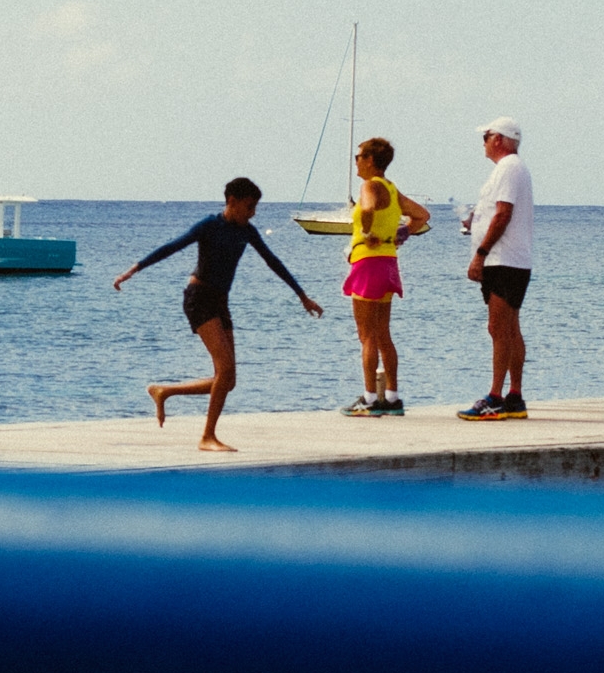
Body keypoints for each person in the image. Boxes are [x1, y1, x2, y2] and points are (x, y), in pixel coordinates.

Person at [113, 178, 323, 451]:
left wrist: (301, 295)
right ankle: (207, 437)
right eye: (249, 206)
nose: (253, 213)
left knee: (228, 379)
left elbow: (273, 262)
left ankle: (165, 391)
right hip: (198, 299)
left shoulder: (247, 231)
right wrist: (133, 270)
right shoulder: (210, 225)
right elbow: (172, 247)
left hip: (220, 302)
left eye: (255, 207)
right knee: (224, 371)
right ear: (232, 201)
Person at [340, 136, 430, 416]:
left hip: (367, 262)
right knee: (383, 335)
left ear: (370, 160)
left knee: (366, 336)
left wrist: (367, 233)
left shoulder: (369, 186)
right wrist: (400, 233)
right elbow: (422, 215)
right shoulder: (391, 189)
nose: (355, 161)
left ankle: (369, 398)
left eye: (359, 156)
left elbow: (366, 208)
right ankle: (391, 396)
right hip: (389, 262)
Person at [457, 117, 533, 420]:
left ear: (500, 139)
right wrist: (475, 221)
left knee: (499, 328)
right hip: (511, 259)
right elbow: (495, 211)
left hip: (503, 259)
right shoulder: (510, 170)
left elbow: (503, 215)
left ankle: (496, 396)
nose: (484, 142)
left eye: (487, 136)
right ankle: (513, 396)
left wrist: (480, 253)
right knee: (510, 328)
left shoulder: (509, 168)